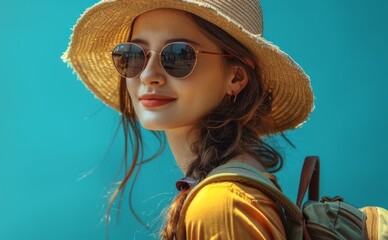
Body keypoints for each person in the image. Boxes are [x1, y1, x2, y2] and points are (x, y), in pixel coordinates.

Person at [62, 0, 314, 239]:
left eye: (178, 55)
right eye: (133, 55)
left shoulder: (222, 205)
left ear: (236, 77)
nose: (149, 75)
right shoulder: (236, 191)